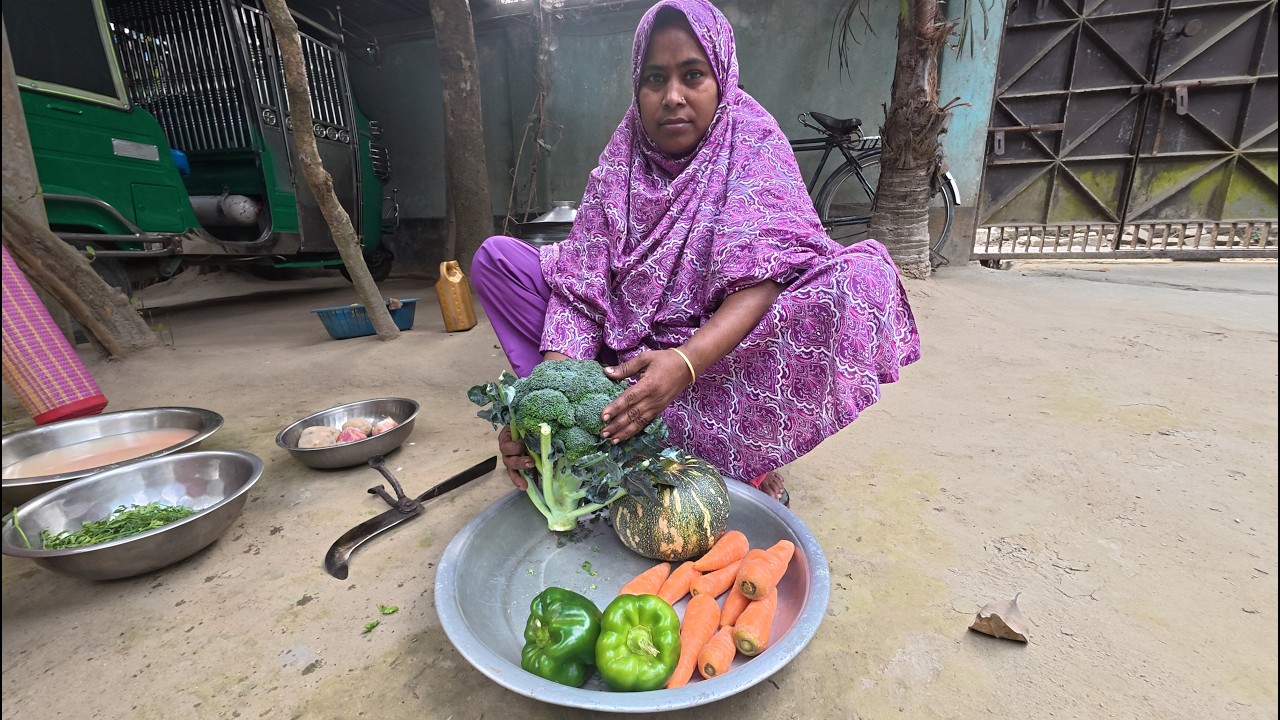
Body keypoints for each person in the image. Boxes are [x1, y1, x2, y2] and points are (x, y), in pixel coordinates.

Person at [472, 0, 920, 506]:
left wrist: (683, 364)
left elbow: (763, 280)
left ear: (721, 76)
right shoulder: (624, 157)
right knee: (499, 261)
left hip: (712, 358)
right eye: (655, 79)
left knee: (862, 280)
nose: (673, 97)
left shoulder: (751, 140)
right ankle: (602, 423)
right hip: (624, 357)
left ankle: (737, 452)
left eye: (692, 75)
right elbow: (580, 288)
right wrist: (548, 410)